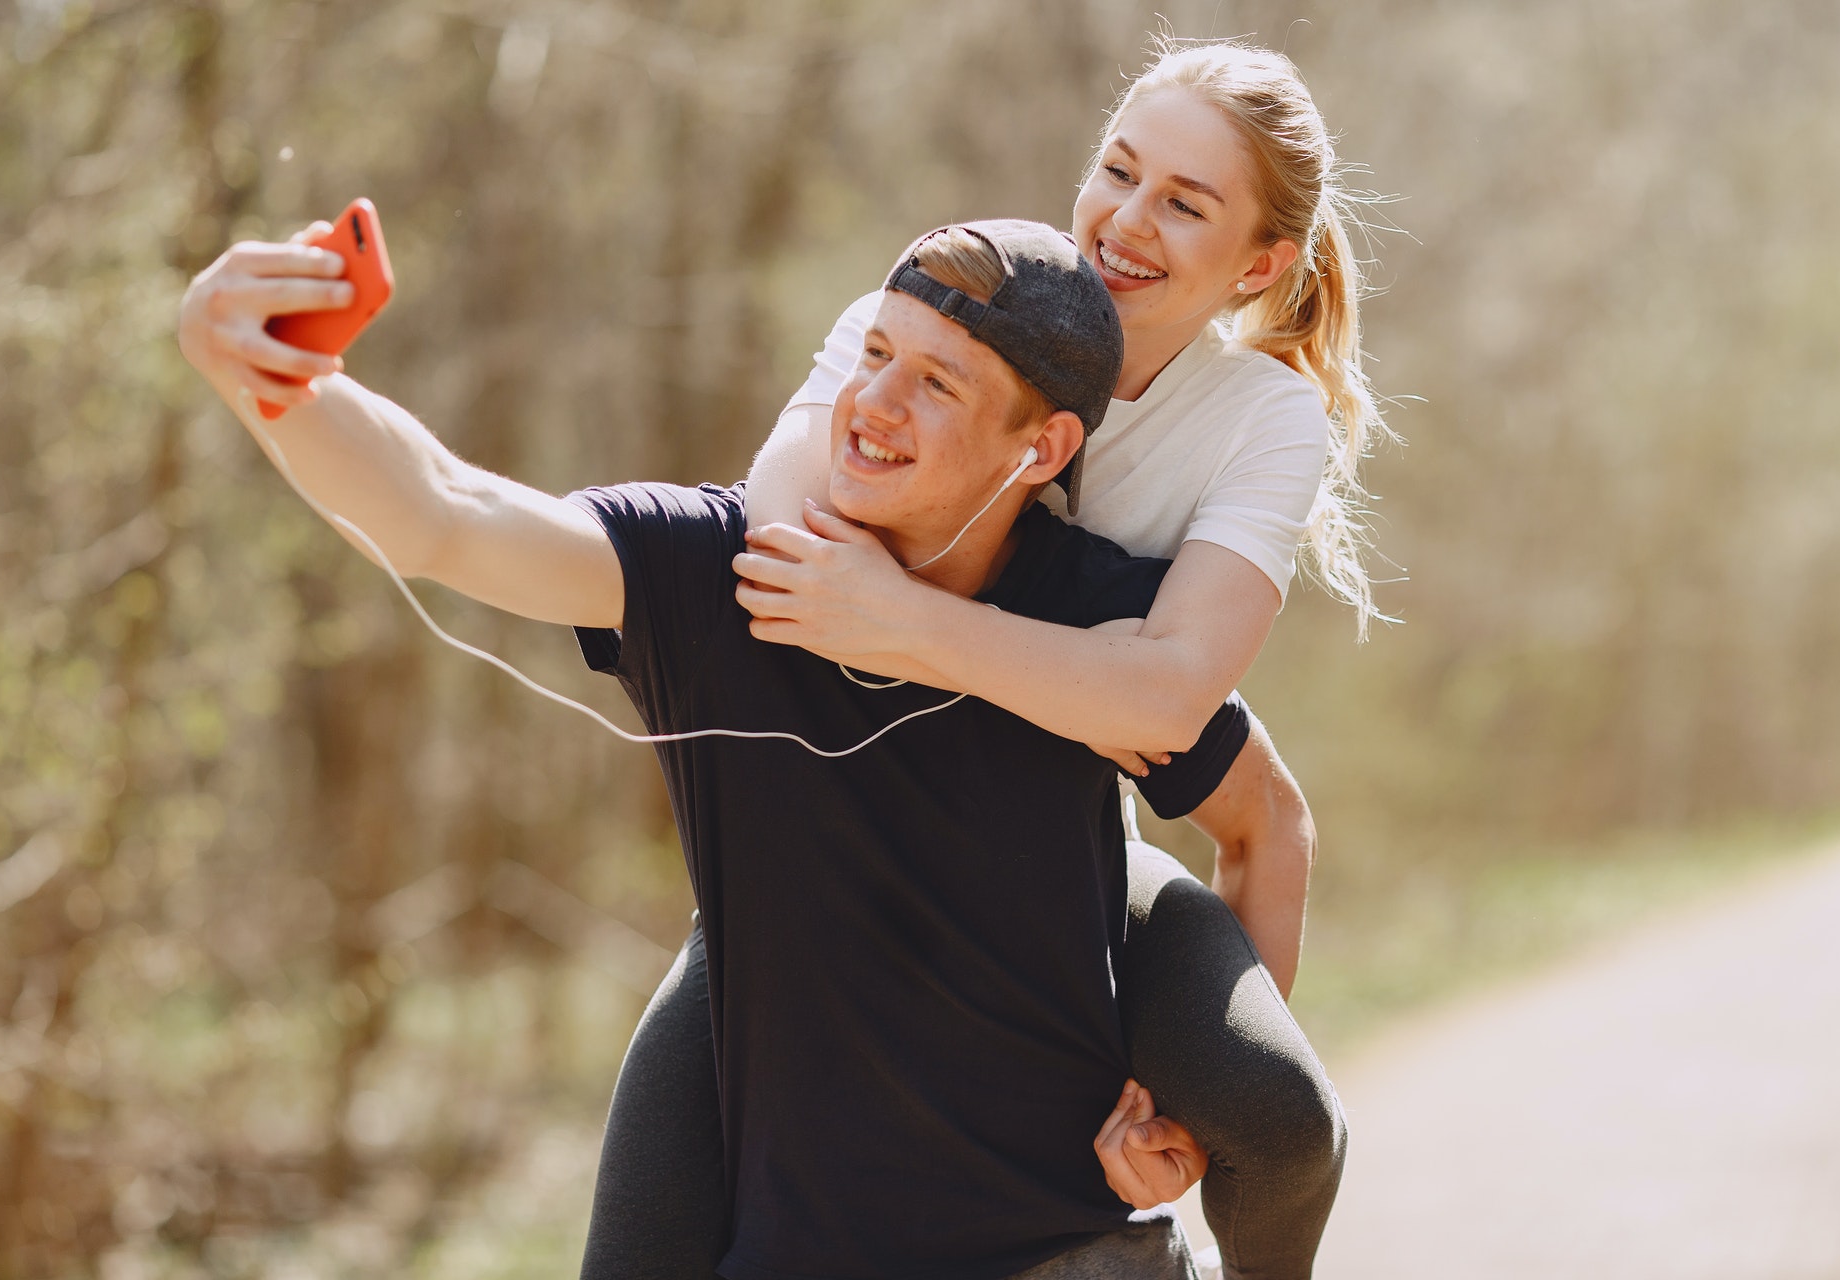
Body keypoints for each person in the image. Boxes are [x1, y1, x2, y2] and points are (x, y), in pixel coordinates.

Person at [180, 212, 1282, 1276]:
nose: (873, 403)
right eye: (878, 352)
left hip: (1073, 1253)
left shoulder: (1106, 628)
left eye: (937, 383)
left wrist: (1180, 1092)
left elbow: (1265, 820)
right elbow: (441, 510)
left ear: (1040, 446)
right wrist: (276, 381)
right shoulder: (721, 572)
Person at [592, 38, 1380, 1280]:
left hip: (1055, 847)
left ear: (1262, 264)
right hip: (824, 856)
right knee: (641, 1237)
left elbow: (1176, 695)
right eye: (1118, 171)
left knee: (1282, 1127)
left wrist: (1170, 1109)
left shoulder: (1262, 418)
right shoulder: (934, 312)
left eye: (1186, 203)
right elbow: (786, 541)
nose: (1127, 220)